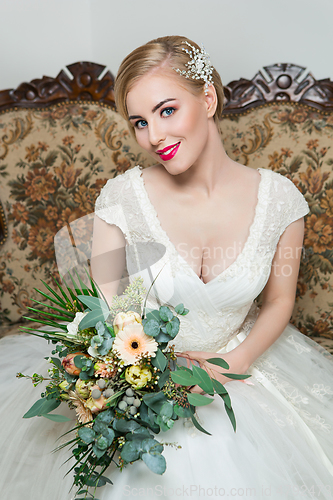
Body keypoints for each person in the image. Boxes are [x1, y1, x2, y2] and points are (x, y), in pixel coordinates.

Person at [0, 35, 332, 500]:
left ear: (209, 98)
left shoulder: (280, 201)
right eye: (139, 121)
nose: (152, 136)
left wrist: (233, 363)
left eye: (167, 110)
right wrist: (150, 367)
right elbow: (111, 301)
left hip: (241, 364)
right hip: (146, 369)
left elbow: (279, 301)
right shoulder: (122, 199)